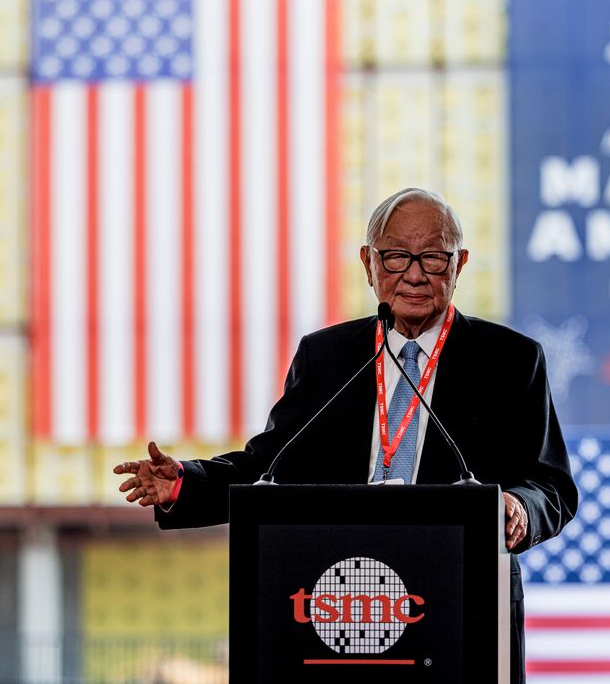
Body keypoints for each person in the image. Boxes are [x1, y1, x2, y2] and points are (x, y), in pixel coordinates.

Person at [115, 187, 577, 683]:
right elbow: (270, 463)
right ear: (368, 262)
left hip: (461, 601)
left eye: (434, 258)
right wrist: (186, 482)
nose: (415, 274)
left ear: (459, 264)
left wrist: (518, 509)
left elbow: (550, 486)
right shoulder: (328, 356)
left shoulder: (511, 360)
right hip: (340, 602)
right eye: (397, 256)